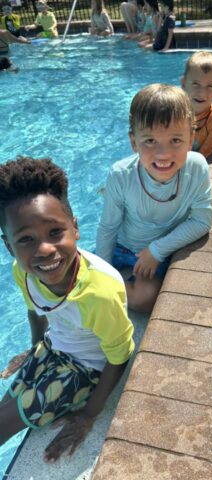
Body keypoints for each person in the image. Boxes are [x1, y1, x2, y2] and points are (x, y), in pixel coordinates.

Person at [0, 157, 134, 462]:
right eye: (26, 240)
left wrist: (89, 414)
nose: (44, 249)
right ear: (9, 247)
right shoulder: (23, 272)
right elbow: (36, 311)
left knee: (5, 423)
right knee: (7, 402)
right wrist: (36, 349)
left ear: (74, 228)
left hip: (89, 367)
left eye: (55, 232)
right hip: (54, 347)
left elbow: (121, 354)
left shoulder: (98, 292)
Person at [96, 84, 212, 313]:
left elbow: (202, 221)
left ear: (191, 139)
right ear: (134, 142)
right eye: (150, 141)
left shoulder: (197, 168)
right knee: (84, 276)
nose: (163, 154)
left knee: (146, 299)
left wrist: (157, 251)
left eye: (175, 141)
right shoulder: (121, 175)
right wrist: (104, 271)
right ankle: (110, 286)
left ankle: (113, 292)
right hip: (123, 246)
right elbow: (108, 228)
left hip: (157, 252)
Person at [181, 51, 212, 161]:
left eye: (210, 86)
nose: (202, 93)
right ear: (183, 84)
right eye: (196, 84)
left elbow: (203, 155)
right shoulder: (173, 112)